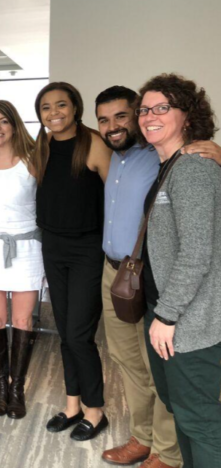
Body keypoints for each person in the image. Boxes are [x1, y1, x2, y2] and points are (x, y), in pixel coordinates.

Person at [138, 73, 221, 468]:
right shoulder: (169, 167)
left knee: (200, 421)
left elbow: (197, 254)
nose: (149, 116)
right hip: (165, 314)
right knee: (184, 414)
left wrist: (167, 315)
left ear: (187, 117)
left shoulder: (193, 169)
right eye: (144, 109)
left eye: (161, 108)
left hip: (188, 321)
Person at [96, 86, 180, 468]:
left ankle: (167, 452)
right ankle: (142, 438)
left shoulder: (163, 156)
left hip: (149, 278)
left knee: (156, 366)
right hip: (113, 274)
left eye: (121, 116)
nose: (112, 126)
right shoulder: (114, 158)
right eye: (103, 119)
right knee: (126, 360)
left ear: (138, 116)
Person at [34, 82, 112, 441]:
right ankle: (72, 405)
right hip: (53, 245)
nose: (54, 113)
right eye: (46, 107)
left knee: (80, 334)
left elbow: (119, 192)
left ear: (75, 107)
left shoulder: (93, 142)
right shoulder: (43, 144)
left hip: (86, 249)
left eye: (61, 105)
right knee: (66, 332)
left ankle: (96, 412)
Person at [0, 100, 44, 420]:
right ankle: (1, 387)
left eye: (3, 121)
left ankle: (18, 390)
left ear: (14, 125)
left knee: (23, 322)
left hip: (27, 247)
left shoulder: (33, 160)